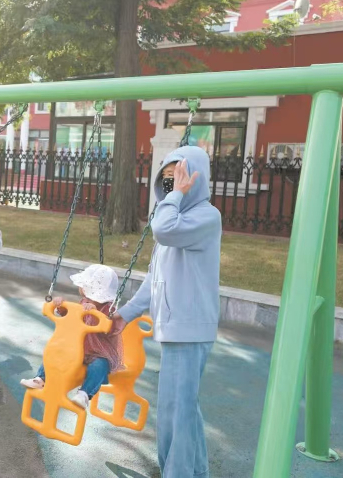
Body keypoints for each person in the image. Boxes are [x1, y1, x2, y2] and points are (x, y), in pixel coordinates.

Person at [111, 145, 221, 478]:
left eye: (181, 176)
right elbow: (155, 278)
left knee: (177, 411)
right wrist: (126, 313)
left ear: (196, 178)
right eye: (168, 178)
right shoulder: (174, 218)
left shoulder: (205, 216)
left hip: (189, 328)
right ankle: (194, 471)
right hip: (177, 328)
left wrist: (173, 198)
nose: (174, 184)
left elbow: (164, 230)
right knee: (183, 409)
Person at [20, 264, 124, 409]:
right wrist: (60, 306)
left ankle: (84, 393)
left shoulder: (110, 309)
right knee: (54, 353)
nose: (80, 287)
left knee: (100, 365)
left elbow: (111, 328)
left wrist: (97, 313)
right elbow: (71, 316)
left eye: (83, 285)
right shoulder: (83, 302)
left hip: (99, 352)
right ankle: (41, 378)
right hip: (78, 347)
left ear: (91, 289)